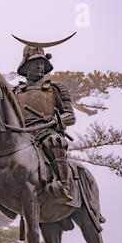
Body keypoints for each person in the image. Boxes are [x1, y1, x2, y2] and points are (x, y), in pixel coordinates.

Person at [13, 45, 76, 200]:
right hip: (22, 134)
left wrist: (56, 120)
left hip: (46, 131)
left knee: (55, 143)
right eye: (36, 64)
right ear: (26, 67)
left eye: (42, 64)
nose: (40, 67)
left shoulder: (56, 89)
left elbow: (71, 116)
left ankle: (64, 185)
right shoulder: (15, 92)